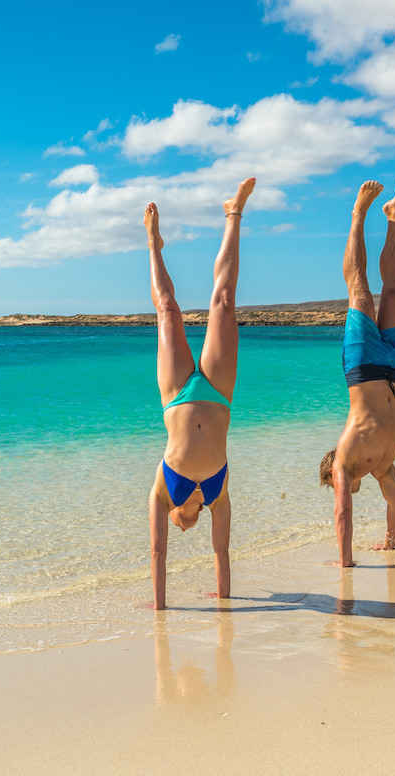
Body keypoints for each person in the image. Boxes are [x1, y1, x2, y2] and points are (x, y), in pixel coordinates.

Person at [146, 177, 255, 610]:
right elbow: (222, 553)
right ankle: (234, 213)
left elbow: (156, 553)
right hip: (219, 392)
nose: (183, 529)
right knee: (224, 302)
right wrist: (224, 600)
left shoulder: (161, 494)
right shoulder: (217, 494)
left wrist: (158, 612)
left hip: (175, 394)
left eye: (177, 527)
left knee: (168, 309)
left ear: (174, 520)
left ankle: (153, 243)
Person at [319, 178, 395, 567]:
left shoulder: (345, 460)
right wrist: (390, 545)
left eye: (335, 487)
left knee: (359, 289)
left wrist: (345, 564)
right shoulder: (385, 466)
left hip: (363, 367)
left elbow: (343, 514)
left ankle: (357, 215)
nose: (340, 491)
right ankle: (394, 216)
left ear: (332, 476)